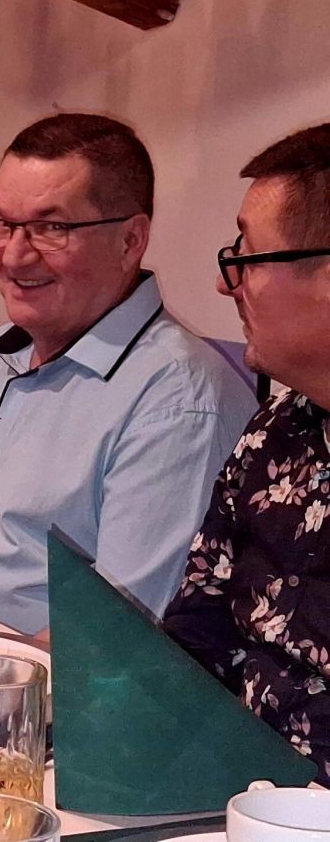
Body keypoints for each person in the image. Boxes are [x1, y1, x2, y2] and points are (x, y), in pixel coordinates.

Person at [0, 113, 257, 635]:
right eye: (3, 224)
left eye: (51, 228)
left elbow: (106, 640)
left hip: (6, 680)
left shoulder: (179, 399)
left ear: (130, 240)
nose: (14, 256)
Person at [163, 123, 330, 782]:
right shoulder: (279, 426)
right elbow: (196, 633)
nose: (224, 283)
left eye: (247, 257)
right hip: (224, 788)